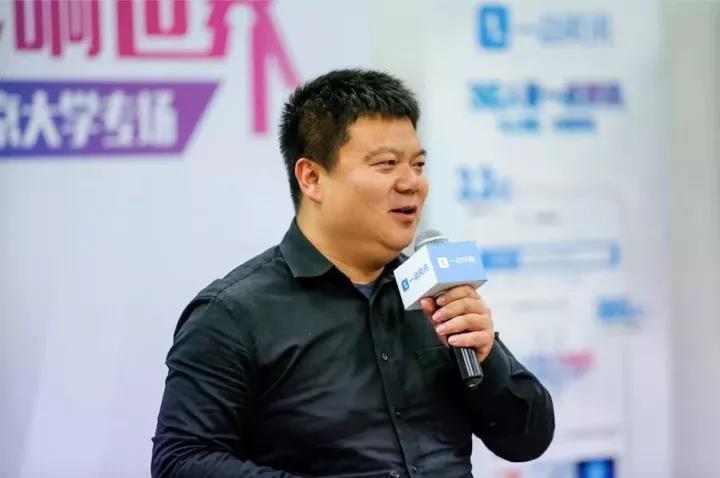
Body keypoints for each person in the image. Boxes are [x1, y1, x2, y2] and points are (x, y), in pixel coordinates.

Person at [151, 69, 554, 478]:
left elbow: (527, 440)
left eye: (418, 164)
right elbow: (180, 461)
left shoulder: (436, 292)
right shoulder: (232, 314)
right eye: (386, 164)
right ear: (312, 178)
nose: (412, 183)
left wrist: (487, 358)